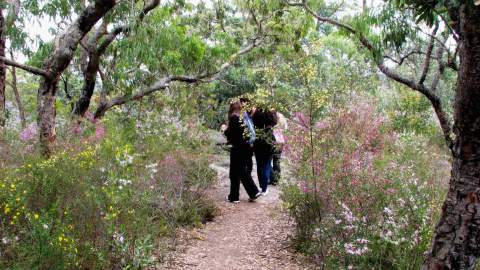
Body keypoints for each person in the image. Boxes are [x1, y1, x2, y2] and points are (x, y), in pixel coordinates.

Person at [224, 101, 261, 203]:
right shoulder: (245, 117)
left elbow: (231, 135)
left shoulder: (234, 118)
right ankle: (234, 196)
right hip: (248, 147)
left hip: (238, 148)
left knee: (237, 172)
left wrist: (224, 130)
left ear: (232, 108)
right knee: (237, 171)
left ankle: (252, 191)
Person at [252, 108, 278, 195]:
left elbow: (254, 121)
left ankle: (262, 187)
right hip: (268, 138)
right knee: (266, 164)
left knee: (260, 164)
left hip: (258, 138)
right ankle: (264, 188)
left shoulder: (257, 113)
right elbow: (274, 122)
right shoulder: (269, 112)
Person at [270, 111, 288, 185]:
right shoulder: (282, 116)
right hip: (281, 141)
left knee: (268, 161)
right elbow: (286, 128)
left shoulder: (272, 115)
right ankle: (276, 179)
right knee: (277, 161)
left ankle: (273, 178)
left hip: (273, 140)